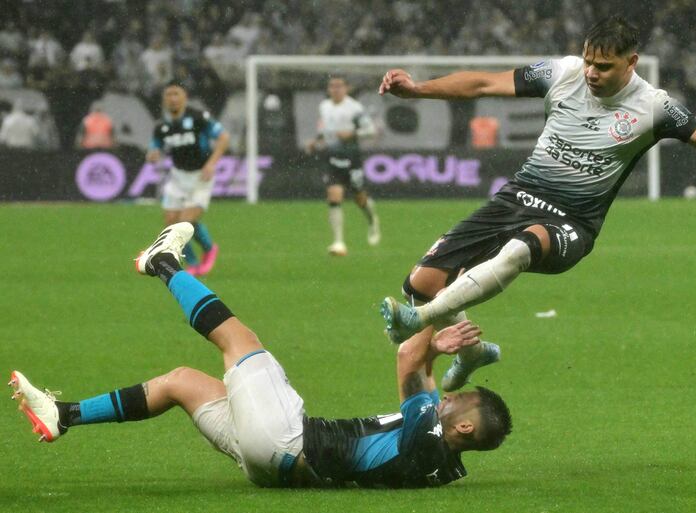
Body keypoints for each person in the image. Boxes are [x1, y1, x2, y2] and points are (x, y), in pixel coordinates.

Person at [376, 16, 696, 391]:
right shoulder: (562, 73)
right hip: (516, 198)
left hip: (572, 222)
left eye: (604, 66)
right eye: (589, 62)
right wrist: (417, 89)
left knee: (522, 246)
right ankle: (473, 352)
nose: (592, 73)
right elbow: (482, 84)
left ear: (631, 63)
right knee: (421, 283)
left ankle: (418, 319)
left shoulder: (654, 106)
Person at [10, 222, 511, 489]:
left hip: (289, 438)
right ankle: (63, 415)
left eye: (458, 402)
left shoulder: (429, 434)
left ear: (463, 428)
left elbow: (406, 358)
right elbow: (419, 373)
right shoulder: (442, 461)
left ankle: (160, 262)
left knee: (238, 340)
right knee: (181, 381)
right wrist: (434, 345)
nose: (450, 398)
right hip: (275, 467)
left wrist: (440, 305)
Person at [146, 81, 229, 276]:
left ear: (185, 97)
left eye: (176, 94)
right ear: (164, 99)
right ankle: (192, 263)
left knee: (184, 222)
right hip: (177, 178)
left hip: (200, 176)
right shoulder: (162, 126)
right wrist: (152, 154)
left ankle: (209, 249)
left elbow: (224, 137)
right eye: (169, 94)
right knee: (171, 224)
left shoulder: (198, 117)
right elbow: (153, 147)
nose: (173, 98)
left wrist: (211, 164)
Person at [306, 75, 381, 256]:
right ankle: (338, 242)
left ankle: (372, 220)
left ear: (346, 88)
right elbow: (325, 130)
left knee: (359, 197)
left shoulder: (354, 108)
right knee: (334, 194)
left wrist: (352, 133)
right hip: (332, 157)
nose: (335, 89)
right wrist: (315, 141)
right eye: (332, 86)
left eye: (339, 86)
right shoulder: (324, 106)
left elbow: (370, 130)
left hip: (351, 157)